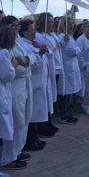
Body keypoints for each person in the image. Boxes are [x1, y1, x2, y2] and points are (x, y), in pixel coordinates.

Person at [0, 16, 33, 169]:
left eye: (18, 25)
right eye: (13, 25)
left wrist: (24, 61)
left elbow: (29, 56)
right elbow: (10, 70)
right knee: (16, 120)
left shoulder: (17, 40)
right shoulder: (5, 49)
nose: (17, 28)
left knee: (24, 117)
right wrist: (21, 64)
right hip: (14, 87)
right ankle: (10, 155)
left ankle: (17, 150)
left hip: (24, 83)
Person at [19, 19, 48, 151]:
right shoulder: (24, 46)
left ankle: (34, 137)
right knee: (30, 114)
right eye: (32, 30)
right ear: (24, 32)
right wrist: (40, 54)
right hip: (31, 82)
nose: (34, 31)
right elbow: (32, 65)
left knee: (35, 113)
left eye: (35, 29)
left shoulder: (33, 43)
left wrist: (39, 50)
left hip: (38, 82)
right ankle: (30, 140)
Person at [0, 26, 24, 170]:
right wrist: (13, 65)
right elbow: (7, 74)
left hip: (4, 92)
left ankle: (9, 156)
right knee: (7, 126)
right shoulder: (3, 53)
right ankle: (8, 158)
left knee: (6, 126)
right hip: (2, 93)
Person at [57, 16, 81, 123]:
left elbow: (75, 50)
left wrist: (76, 50)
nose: (72, 25)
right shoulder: (62, 36)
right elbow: (72, 51)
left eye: (73, 23)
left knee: (69, 93)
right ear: (64, 25)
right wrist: (77, 50)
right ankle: (64, 115)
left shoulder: (70, 37)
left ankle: (67, 113)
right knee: (66, 93)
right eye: (69, 23)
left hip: (72, 67)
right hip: (66, 68)